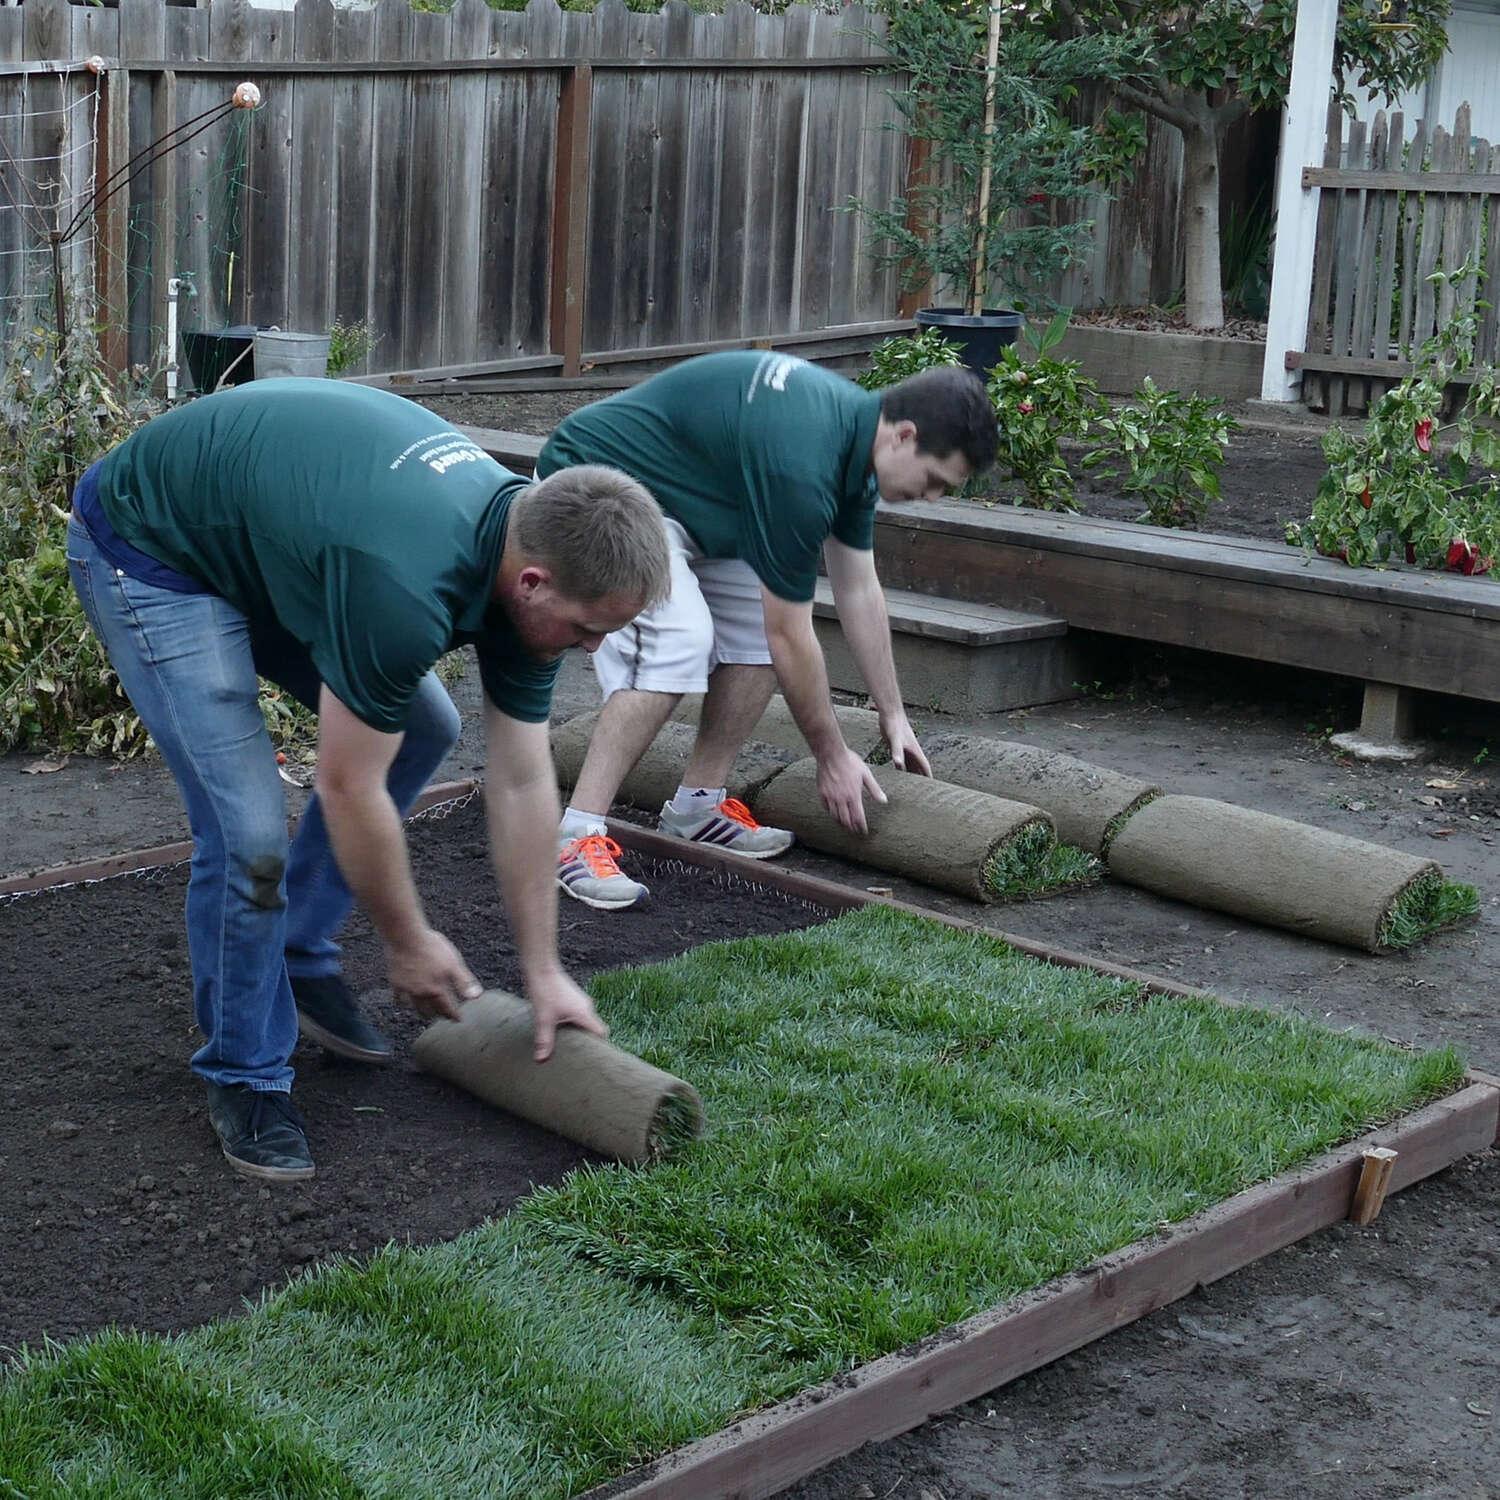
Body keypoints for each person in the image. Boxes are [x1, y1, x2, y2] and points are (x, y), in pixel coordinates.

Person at [66, 378, 670, 1183]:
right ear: (532, 582)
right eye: (588, 629)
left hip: (277, 535)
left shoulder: (528, 560)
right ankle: (245, 1075)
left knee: (426, 726)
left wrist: (544, 970)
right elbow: (350, 786)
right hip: (155, 545)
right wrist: (407, 941)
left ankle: (295, 949)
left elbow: (524, 782)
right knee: (248, 836)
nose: (592, 651)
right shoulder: (405, 581)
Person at [536, 351, 998, 911]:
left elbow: (858, 588)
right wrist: (832, 756)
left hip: (698, 504)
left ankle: (696, 807)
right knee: (678, 639)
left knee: (753, 638)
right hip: (601, 490)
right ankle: (574, 835)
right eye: (934, 480)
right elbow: (792, 635)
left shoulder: (858, 447)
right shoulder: (804, 463)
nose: (931, 497)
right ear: (904, 435)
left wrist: (893, 712)